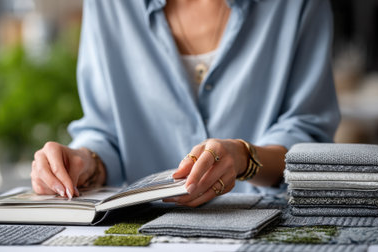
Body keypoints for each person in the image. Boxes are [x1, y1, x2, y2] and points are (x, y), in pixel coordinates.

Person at [31, 0, 340, 207]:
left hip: (268, 229)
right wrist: (86, 161)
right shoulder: (109, 5)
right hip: (143, 233)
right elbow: (106, 129)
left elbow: (307, 133)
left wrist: (245, 158)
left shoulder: (297, 6)